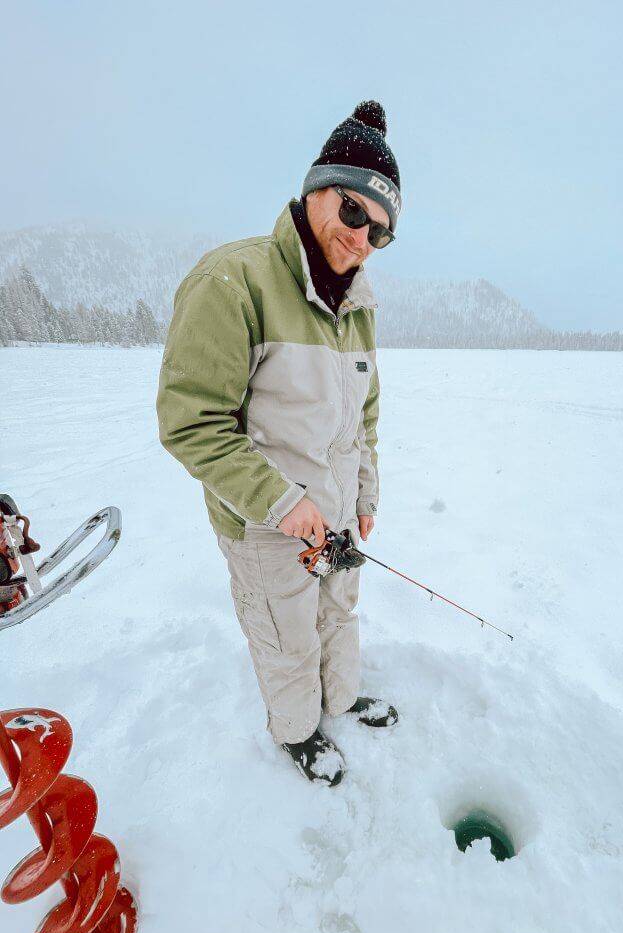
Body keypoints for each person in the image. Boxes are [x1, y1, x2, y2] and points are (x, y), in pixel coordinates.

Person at [156, 100, 401, 786]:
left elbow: (365, 414)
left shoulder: (357, 309)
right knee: (287, 638)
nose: (361, 239)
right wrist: (280, 502)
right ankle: (297, 733)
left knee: (338, 616)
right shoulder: (234, 281)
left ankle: (342, 700)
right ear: (314, 190)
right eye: (354, 213)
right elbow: (191, 421)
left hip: (338, 517)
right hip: (267, 530)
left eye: (380, 232)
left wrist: (364, 495)